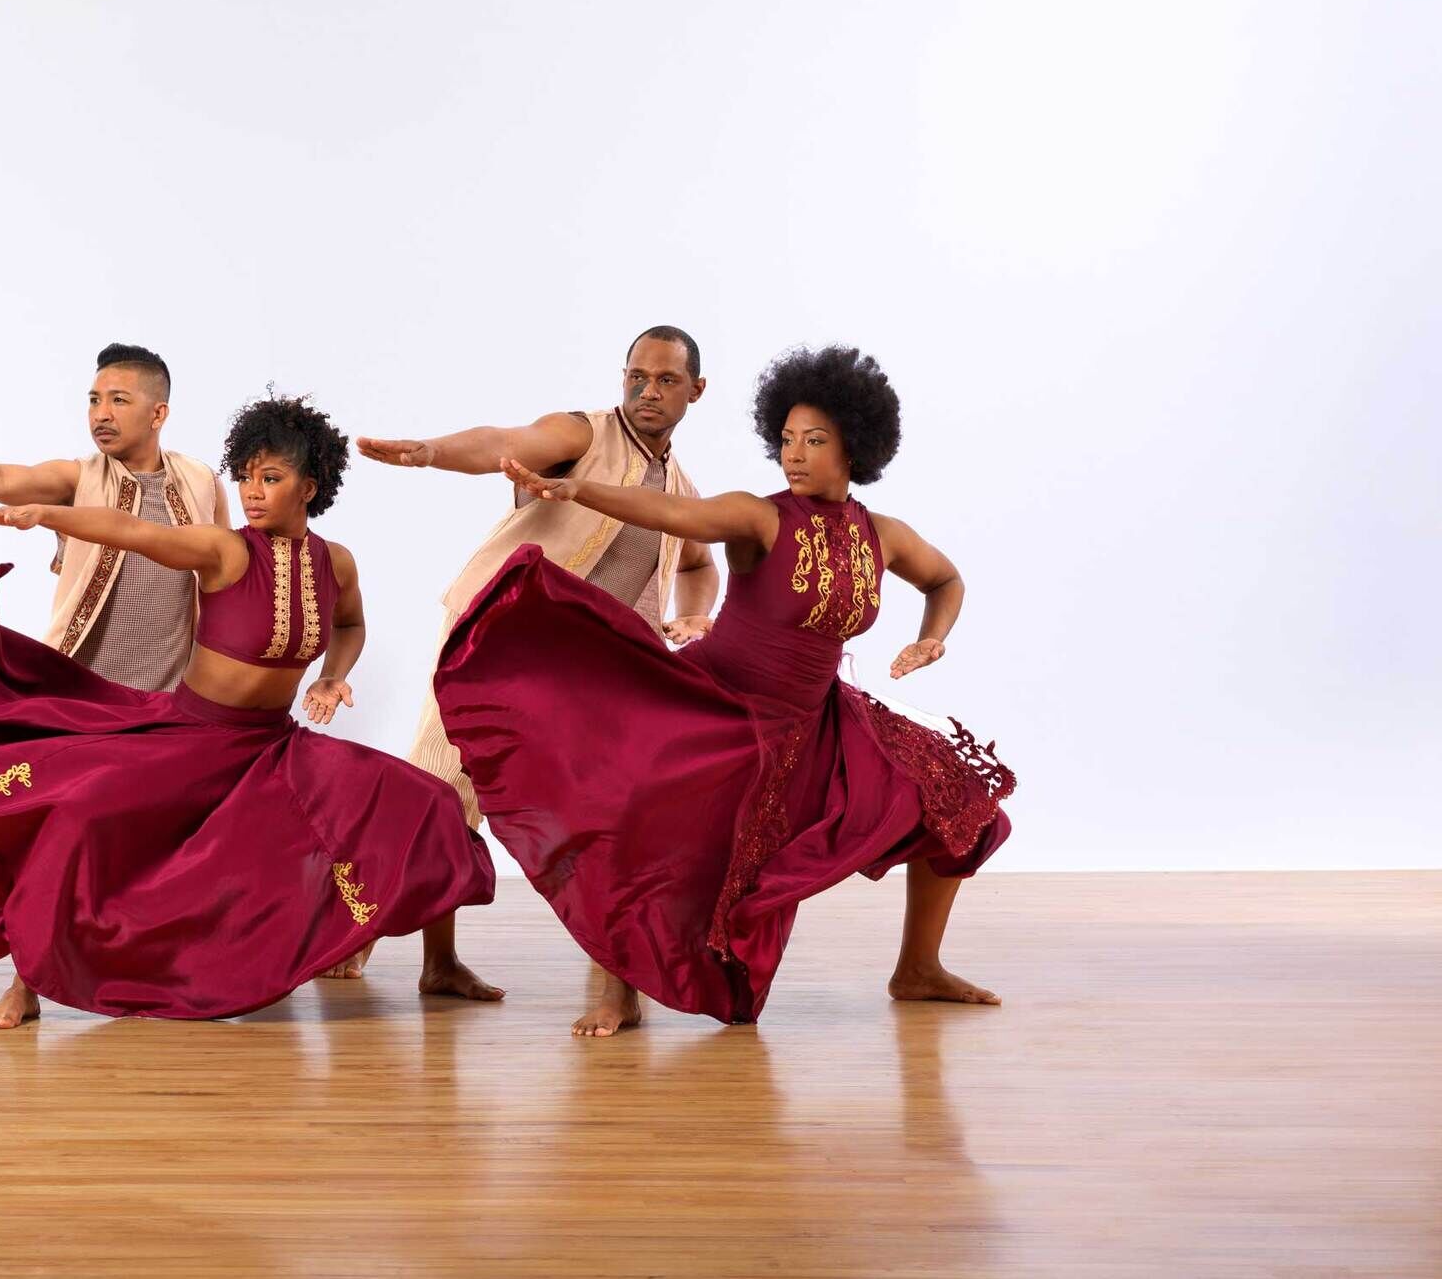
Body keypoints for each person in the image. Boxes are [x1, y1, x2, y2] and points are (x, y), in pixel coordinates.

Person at [0, 393, 495, 1028]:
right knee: (80, 815)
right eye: (245, 477)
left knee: (431, 803)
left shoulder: (336, 563)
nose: (253, 491)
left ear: (313, 483)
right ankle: (28, 984)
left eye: (271, 477)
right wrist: (47, 515)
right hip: (190, 739)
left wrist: (331, 678)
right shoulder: (225, 550)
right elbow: (132, 531)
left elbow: (349, 626)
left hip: (274, 749)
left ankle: (440, 963)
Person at [435, 345, 1016, 1036]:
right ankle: (621, 992)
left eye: (815, 440)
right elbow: (670, 515)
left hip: (818, 724)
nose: (794, 454)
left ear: (855, 447)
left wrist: (933, 636)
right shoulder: (759, 517)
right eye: (787, 439)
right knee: (642, 827)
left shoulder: (881, 536)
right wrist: (579, 490)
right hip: (721, 707)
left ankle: (917, 968)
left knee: (958, 808)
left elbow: (945, 579)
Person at [346, 325, 722, 999]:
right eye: (637, 375)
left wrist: (694, 615)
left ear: (697, 390)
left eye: (667, 380)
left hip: (591, 682)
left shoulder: (682, 490)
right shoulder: (585, 434)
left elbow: (699, 561)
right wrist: (433, 453)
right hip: (496, 645)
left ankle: (522, 970)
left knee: (611, 809)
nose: (648, 391)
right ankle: (363, 935)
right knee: (439, 788)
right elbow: (507, 441)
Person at [0, 343, 232, 988]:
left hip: (167, 689)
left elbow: (222, 571)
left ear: (159, 412)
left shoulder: (199, 481)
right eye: (93, 399)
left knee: (156, 829)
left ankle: (144, 956)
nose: (101, 413)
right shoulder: (79, 477)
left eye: (118, 400)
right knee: (8, 808)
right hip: (76, 683)